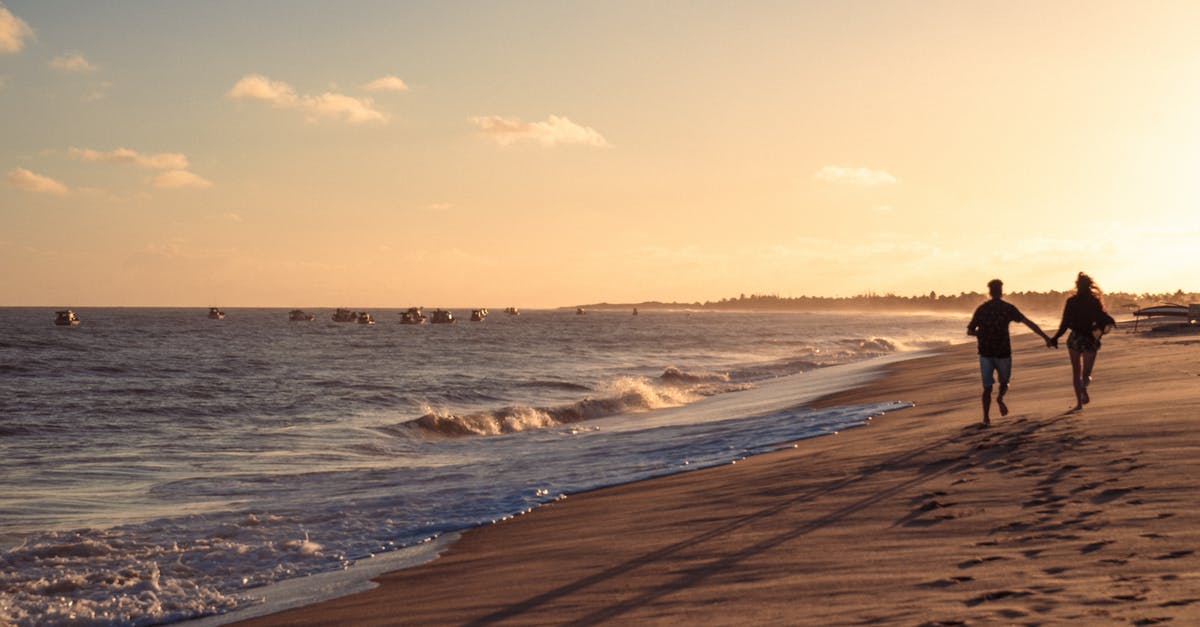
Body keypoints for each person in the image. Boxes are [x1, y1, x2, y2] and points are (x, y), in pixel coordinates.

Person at [967, 279, 1054, 426]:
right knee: (1004, 383)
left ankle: (986, 419)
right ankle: (1000, 398)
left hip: (986, 352)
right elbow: (1029, 323)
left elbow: (970, 331)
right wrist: (1046, 337)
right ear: (1001, 292)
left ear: (989, 292)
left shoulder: (982, 309)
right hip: (1003, 352)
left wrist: (981, 334)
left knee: (987, 387)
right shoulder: (1007, 308)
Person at [1050, 272, 1116, 411]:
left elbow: (1064, 323)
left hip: (1074, 339)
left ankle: (1079, 403)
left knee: (1076, 372)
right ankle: (1084, 387)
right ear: (1089, 286)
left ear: (1077, 286)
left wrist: (1055, 338)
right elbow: (1102, 318)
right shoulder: (1094, 301)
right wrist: (1104, 328)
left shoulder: (1071, 301)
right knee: (1086, 374)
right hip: (1090, 339)